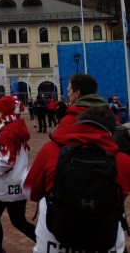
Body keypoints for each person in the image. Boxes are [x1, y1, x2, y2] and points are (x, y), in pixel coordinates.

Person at [24, 106, 130, 252]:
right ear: (111, 131)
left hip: (55, 237)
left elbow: (30, 191)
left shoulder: (51, 149)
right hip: (104, 237)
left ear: (79, 124)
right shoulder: (123, 160)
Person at [0, 96, 35, 253]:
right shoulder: (17, 126)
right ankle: (44, 241)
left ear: (4, 112)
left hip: (2, 186)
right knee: (19, 221)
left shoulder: (6, 131)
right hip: (18, 183)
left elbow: (5, 162)